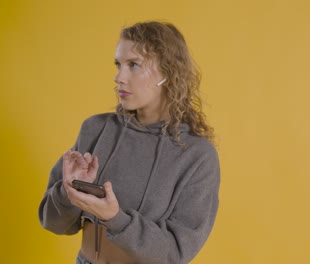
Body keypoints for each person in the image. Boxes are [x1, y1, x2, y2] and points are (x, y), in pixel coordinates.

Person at [38, 21, 220, 264]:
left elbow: (175, 254)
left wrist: (115, 217)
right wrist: (67, 191)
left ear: (167, 73)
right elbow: (52, 222)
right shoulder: (95, 129)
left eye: (133, 65)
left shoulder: (197, 155)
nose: (119, 77)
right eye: (118, 65)